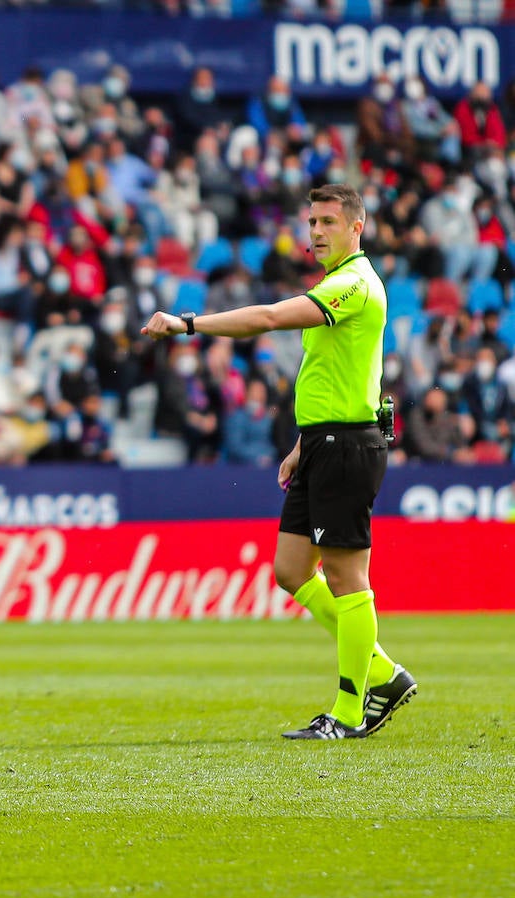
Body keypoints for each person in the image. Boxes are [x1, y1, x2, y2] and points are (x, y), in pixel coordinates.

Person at [141, 184, 416, 740]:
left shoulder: (353, 286)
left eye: (328, 223)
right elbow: (342, 376)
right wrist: (301, 444)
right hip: (323, 441)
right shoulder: (335, 284)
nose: (316, 232)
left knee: (345, 576)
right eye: (312, 222)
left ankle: (348, 709)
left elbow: (267, 317)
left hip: (348, 445)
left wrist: (188, 324)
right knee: (290, 570)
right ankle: (384, 673)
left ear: (356, 227)